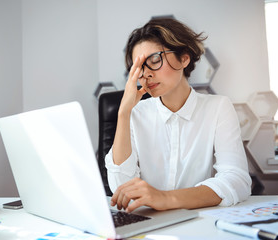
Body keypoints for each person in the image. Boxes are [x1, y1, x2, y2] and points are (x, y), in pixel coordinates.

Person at [105, 18, 252, 213]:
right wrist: (124, 113)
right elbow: (120, 189)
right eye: (139, 67)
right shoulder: (136, 113)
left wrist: (165, 198)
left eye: (155, 60)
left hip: (198, 222)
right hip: (149, 223)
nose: (146, 74)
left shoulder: (218, 107)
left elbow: (237, 180)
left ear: (184, 58)